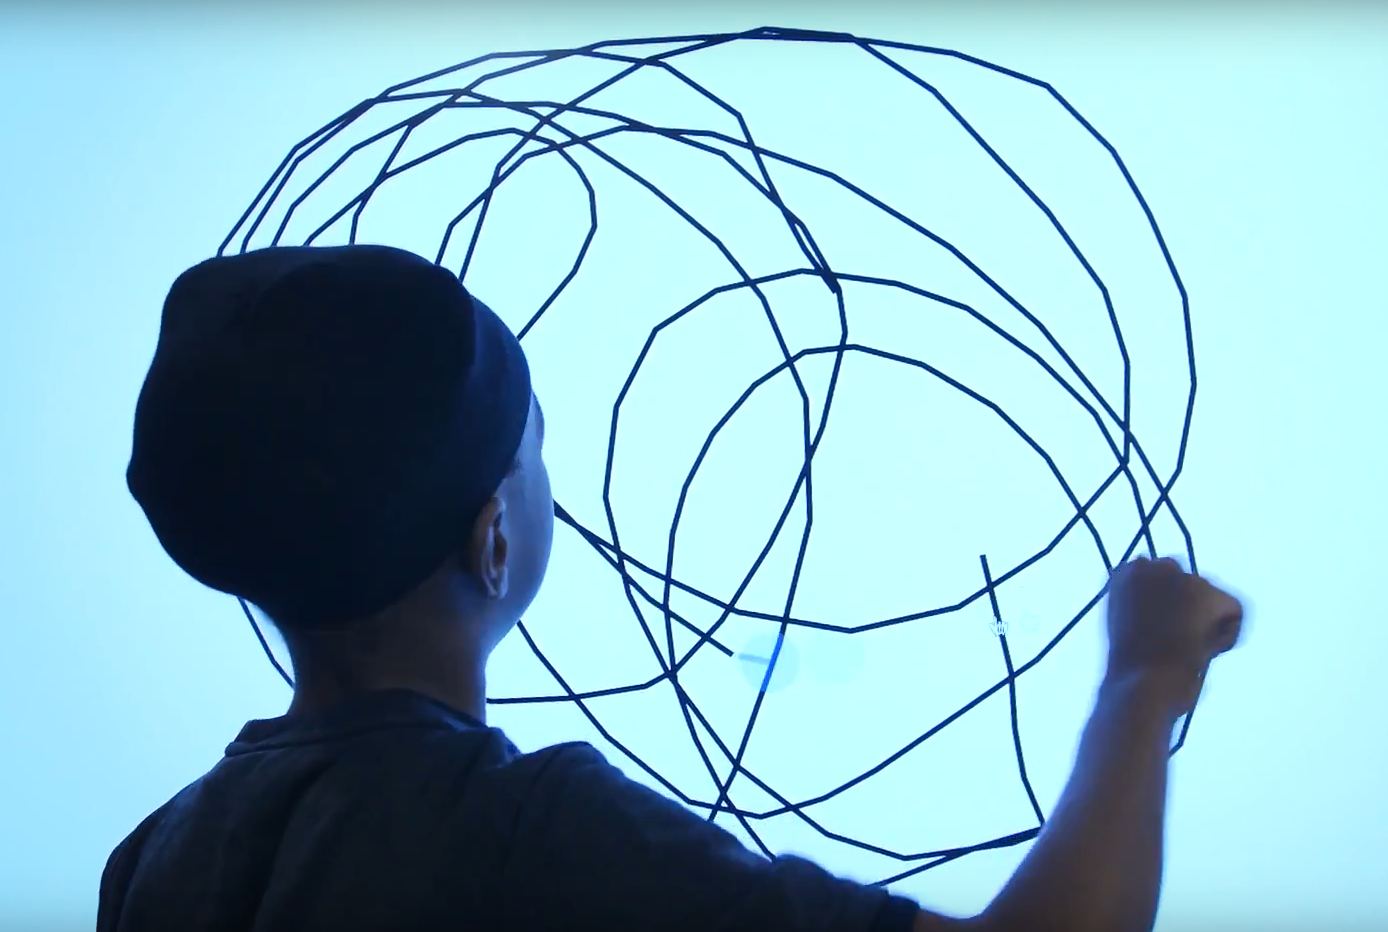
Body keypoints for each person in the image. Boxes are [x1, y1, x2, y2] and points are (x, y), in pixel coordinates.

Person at [99, 244, 1246, 932]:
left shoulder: (154, 858)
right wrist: (1144, 677)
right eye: (535, 449)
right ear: (493, 540)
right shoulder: (534, 835)